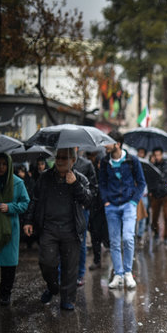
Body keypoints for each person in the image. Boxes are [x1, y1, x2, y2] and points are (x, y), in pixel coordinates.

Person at [23, 148, 92, 310]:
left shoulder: (80, 179)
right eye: (58, 158)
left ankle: (68, 299)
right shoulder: (45, 177)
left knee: (70, 268)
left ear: (73, 161)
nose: (59, 161)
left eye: (63, 158)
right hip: (49, 229)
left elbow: (88, 200)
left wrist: (74, 184)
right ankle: (53, 287)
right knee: (47, 263)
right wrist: (28, 221)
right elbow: (35, 199)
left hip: (71, 229)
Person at [99, 131, 146, 289]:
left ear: (117, 144)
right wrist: (106, 201)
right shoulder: (105, 162)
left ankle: (128, 273)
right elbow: (102, 183)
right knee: (114, 242)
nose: (105, 145)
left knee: (127, 238)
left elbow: (141, 183)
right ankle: (118, 275)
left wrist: (134, 201)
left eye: (107, 142)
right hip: (111, 206)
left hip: (128, 205)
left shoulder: (132, 160)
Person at [0, 153, 29, 306]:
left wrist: (10, 207)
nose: (1, 167)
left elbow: (25, 203)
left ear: (9, 165)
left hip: (9, 228)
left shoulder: (17, 183)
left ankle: (5, 294)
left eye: (4, 164)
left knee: (8, 265)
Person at [73, 149, 98, 286]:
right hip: (65, 210)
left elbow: (93, 188)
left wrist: (85, 204)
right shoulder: (59, 163)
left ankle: (80, 274)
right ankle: (62, 274)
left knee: (81, 241)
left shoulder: (87, 164)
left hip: (82, 209)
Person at [148, 147, 167, 246]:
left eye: (158, 155)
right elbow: (148, 179)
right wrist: (150, 190)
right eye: (155, 155)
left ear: (161, 155)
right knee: (154, 218)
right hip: (155, 194)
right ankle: (156, 234)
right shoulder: (151, 166)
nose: (157, 157)